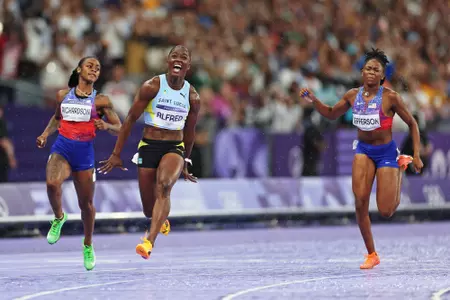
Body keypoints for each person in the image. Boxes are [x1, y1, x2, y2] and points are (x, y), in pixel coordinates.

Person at [299, 48, 423, 269]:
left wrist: (416, 154)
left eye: (376, 70)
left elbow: (413, 124)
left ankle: (401, 166)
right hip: (364, 150)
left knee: (386, 211)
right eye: (368, 68)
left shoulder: (391, 98)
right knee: (359, 202)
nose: (371, 72)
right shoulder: (351, 95)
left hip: (386, 153)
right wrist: (314, 100)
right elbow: (329, 112)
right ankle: (371, 254)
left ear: (383, 76)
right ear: (362, 72)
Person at [98, 45, 200, 260]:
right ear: (168, 61)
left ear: (188, 66)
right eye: (175, 56)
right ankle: (159, 218)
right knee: (148, 208)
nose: (179, 59)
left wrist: (187, 159)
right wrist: (116, 153)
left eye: (184, 57)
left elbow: (190, 132)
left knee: (164, 186)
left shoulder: (192, 97)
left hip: (174, 148)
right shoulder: (152, 86)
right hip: (149, 146)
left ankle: (148, 242)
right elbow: (129, 121)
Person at [36, 57, 122, 271]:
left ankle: (88, 244)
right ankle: (58, 217)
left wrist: (106, 125)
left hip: (84, 155)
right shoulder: (62, 95)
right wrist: (45, 134)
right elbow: (57, 118)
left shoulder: (101, 101)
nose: (94, 69)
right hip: (62, 148)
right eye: (90, 66)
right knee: (52, 183)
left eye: (98, 67)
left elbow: (120, 126)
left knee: (87, 205)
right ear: (78, 70)